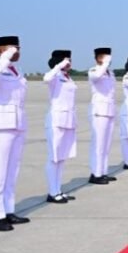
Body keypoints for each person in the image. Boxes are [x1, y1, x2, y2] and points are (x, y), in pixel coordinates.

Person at [0, 36, 30, 231]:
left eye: (18, 48)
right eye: (13, 48)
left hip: (17, 125)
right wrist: (4, 58)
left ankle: (8, 210)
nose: (17, 51)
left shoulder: (16, 71)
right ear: (1, 50)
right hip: (0, 126)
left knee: (12, 172)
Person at [43, 50, 78, 204]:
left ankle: (58, 190)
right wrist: (59, 66)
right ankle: (52, 192)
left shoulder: (66, 77)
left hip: (68, 120)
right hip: (56, 120)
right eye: (66, 60)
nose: (69, 62)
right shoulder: (55, 76)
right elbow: (46, 78)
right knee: (54, 158)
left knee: (62, 158)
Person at [88, 47, 116, 185]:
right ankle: (95, 173)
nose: (109, 60)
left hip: (109, 110)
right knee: (98, 144)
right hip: (99, 111)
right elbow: (96, 76)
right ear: (99, 58)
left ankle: (103, 172)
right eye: (105, 57)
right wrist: (104, 64)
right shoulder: (94, 70)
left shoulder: (110, 73)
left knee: (106, 144)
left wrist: (106, 66)